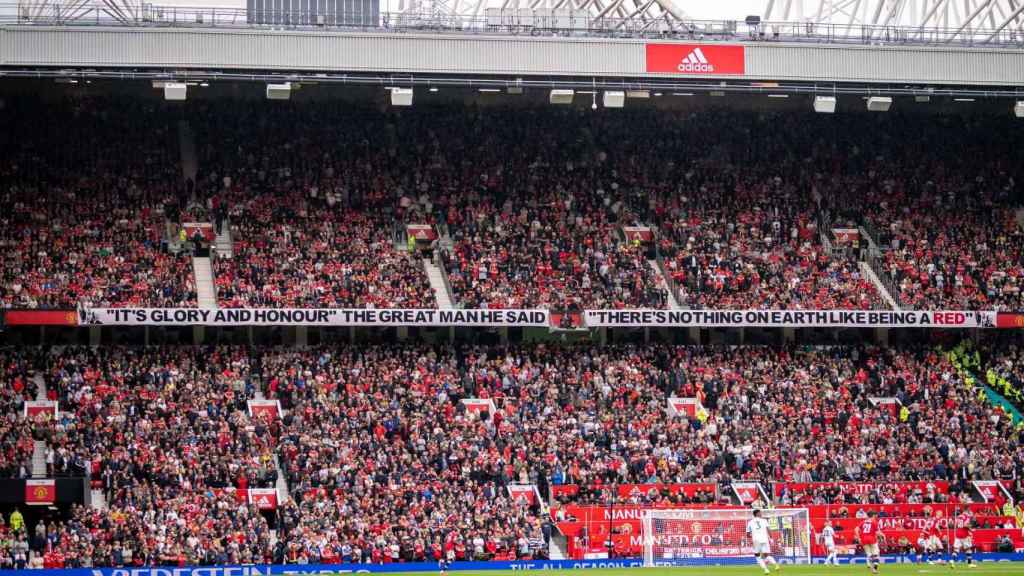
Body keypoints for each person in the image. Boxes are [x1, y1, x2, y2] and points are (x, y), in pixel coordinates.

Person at [746, 509, 780, 575]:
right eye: (760, 513)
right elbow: (769, 530)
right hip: (765, 539)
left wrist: (752, 536)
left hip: (756, 540)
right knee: (766, 555)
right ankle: (776, 565)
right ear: (757, 514)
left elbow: (747, 534)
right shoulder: (764, 521)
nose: (761, 514)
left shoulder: (750, 522)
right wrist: (771, 539)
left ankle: (766, 570)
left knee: (757, 556)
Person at [854, 510, 884, 575]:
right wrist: (883, 535)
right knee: (876, 553)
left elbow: (856, 529)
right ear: (873, 515)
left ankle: (870, 565)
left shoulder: (863, 522)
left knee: (869, 554)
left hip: (863, 539)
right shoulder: (874, 522)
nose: (876, 516)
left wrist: (858, 537)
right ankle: (874, 569)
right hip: (872, 539)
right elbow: (877, 532)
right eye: (875, 515)